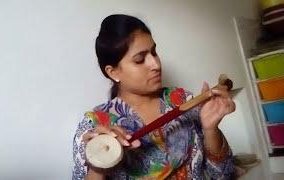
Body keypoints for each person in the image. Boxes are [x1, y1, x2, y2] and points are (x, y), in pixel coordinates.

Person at [72, 14, 235, 180]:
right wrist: (99, 166)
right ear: (113, 72)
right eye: (140, 59)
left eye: (154, 52)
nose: (156, 65)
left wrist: (210, 129)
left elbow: (224, 174)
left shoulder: (183, 100)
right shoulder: (93, 127)